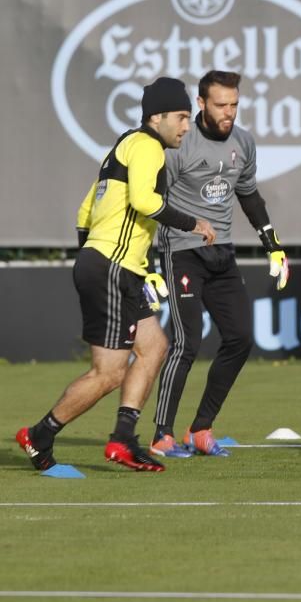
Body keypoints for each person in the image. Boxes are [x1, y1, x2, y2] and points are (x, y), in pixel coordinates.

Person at [16, 77, 216, 473]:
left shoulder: (123, 147)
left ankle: (122, 439)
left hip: (115, 267)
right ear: (155, 117)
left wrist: (94, 258)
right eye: (180, 117)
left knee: (155, 347)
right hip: (113, 268)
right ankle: (40, 434)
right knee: (108, 373)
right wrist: (193, 222)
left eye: (188, 119)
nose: (186, 126)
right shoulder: (147, 147)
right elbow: (144, 201)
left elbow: (84, 212)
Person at [150, 70, 290, 459]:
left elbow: (249, 196)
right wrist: (147, 261)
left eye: (234, 105)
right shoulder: (180, 144)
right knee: (187, 342)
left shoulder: (243, 142)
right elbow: (153, 204)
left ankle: (201, 428)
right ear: (201, 104)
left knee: (241, 338)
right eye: (220, 105)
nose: (229, 112)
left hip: (222, 254)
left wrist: (273, 245)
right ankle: (162, 434)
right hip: (181, 251)